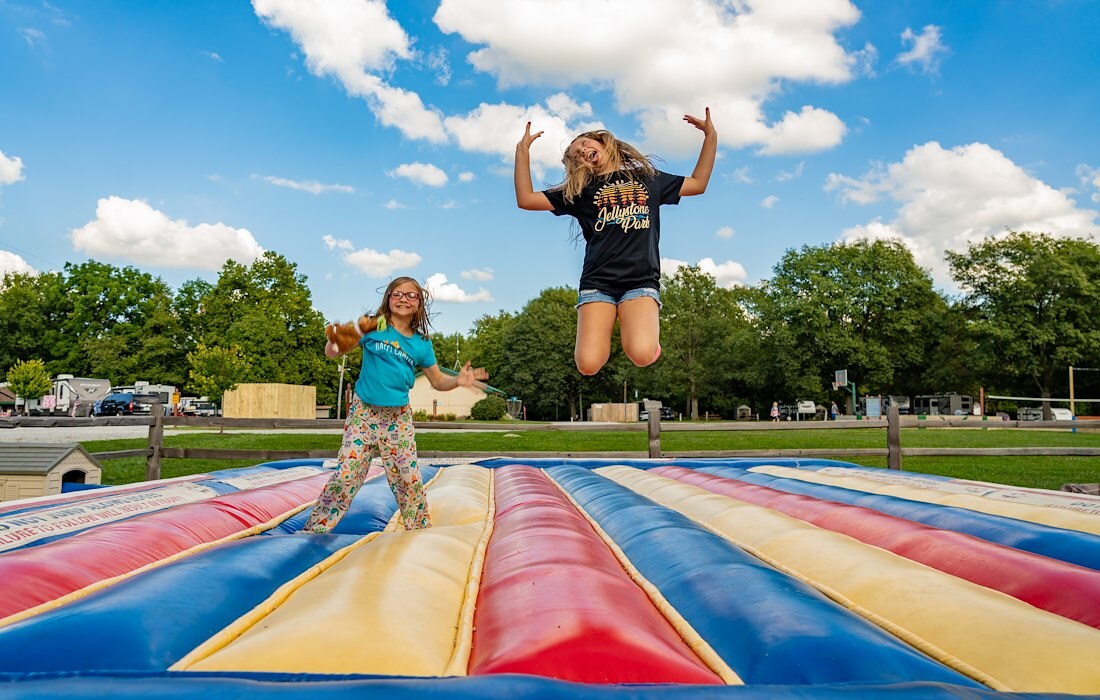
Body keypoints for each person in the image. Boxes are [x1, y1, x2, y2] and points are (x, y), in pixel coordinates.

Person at [514, 108, 718, 375]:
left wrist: (710, 137)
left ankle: (642, 333)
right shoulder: (579, 192)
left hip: (639, 281)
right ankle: (616, 325)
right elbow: (526, 199)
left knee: (642, 354)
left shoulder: (647, 178)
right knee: (588, 365)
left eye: (585, 143)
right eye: (576, 154)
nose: (582, 150)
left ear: (603, 142)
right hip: (598, 283)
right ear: (578, 166)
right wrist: (522, 151)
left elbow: (698, 183)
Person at [302, 276, 488, 533]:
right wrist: (336, 340)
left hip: (397, 419)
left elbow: (437, 380)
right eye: (397, 293)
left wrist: (457, 380)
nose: (403, 299)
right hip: (364, 414)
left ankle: (419, 530)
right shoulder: (373, 326)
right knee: (347, 475)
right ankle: (314, 530)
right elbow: (333, 352)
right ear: (388, 298)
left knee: (408, 480)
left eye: (411, 295)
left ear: (419, 304)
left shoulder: (421, 343)